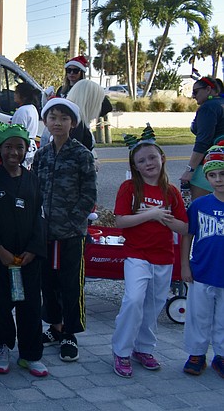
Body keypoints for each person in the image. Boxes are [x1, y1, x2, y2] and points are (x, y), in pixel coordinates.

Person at [111, 127, 187, 378]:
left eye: (152, 157)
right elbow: (120, 221)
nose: (148, 163)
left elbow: (183, 227)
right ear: (135, 166)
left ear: (162, 157)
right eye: (141, 161)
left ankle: (143, 348)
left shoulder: (171, 191)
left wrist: (164, 220)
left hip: (163, 256)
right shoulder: (130, 187)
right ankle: (121, 351)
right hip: (137, 254)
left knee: (153, 306)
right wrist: (151, 214)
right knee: (133, 300)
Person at [0, 122, 48, 377]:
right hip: (0, 257)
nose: (14, 153)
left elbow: (40, 217)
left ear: (27, 149)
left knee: (30, 306)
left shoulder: (33, 181)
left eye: (20, 147)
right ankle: (2, 347)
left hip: (28, 258)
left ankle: (31, 354)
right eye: (8, 147)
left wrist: (33, 250)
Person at [32, 98, 96, 364]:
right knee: (47, 282)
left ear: (73, 123)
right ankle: (55, 327)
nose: (57, 123)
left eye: (63, 118)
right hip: (45, 233)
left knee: (71, 284)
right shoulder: (41, 154)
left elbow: (89, 193)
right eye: (53, 118)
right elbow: (33, 190)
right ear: (46, 121)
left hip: (71, 233)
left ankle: (70, 332)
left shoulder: (82, 154)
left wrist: (73, 220)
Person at [182, 144, 224, 378]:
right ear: (207, 177)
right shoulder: (200, 205)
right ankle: (197, 354)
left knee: (223, 318)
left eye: (223, 174)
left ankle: (221, 355)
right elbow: (187, 235)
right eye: (212, 175)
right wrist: (185, 265)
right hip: (202, 271)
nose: (218, 179)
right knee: (199, 315)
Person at [180, 77, 224, 200]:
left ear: (208, 89)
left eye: (196, 91)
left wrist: (189, 170)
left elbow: (203, 142)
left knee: (199, 209)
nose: (193, 96)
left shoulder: (208, 108)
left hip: (212, 163)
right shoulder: (221, 103)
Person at [10, 84, 40, 167]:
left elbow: (16, 133)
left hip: (23, 146)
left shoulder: (22, 111)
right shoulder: (32, 108)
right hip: (30, 146)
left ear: (22, 95)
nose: (14, 94)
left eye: (16, 92)